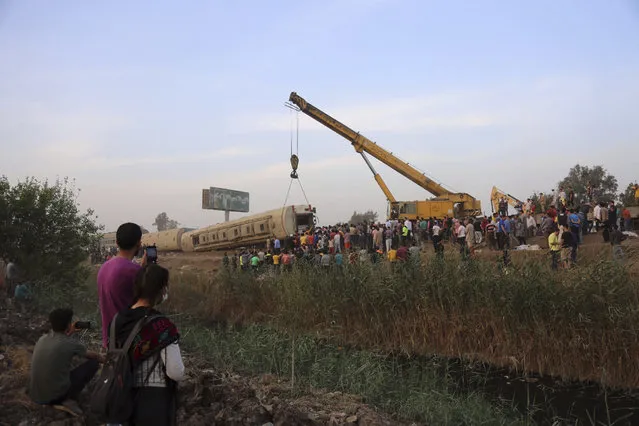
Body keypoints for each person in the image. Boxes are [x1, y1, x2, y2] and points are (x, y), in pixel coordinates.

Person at [111, 264, 185, 426]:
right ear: (160, 290)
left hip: (120, 396)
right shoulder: (162, 326)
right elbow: (176, 372)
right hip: (152, 402)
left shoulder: (118, 319)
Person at [29, 308, 103, 416]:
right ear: (68, 324)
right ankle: (68, 399)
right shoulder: (70, 343)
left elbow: (61, 343)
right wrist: (107, 359)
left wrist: (70, 331)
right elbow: (94, 356)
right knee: (93, 363)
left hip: (36, 396)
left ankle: (59, 395)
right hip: (54, 397)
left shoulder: (42, 339)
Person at [98, 223, 145, 348]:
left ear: (117, 243)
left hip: (110, 340)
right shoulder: (134, 271)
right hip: (128, 342)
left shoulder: (104, 267)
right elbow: (150, 300)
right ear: (139, 243)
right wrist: (146, 272)